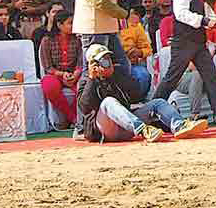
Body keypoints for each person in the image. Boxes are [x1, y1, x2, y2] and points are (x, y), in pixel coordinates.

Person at [76, 44, 208, 143]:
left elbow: (136, 94)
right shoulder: (86, 81)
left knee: (158, 102)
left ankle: (179, 125)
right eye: (103, 60)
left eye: (108, 59)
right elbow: (85, 107)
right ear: (93, 63)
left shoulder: (117, 74)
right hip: (105, 129)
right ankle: (144, 130)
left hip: (127, 126)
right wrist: (92, 80)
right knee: (108, 102)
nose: (107, 63)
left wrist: (116, 76)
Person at [39, 11, 83, 129]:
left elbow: (80, 62)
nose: (73, 26)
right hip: (55, 74)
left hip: (75, 74)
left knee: (86, 86)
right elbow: (47, 67)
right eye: (70, 23)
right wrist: (62, 74)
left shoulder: (78, 39)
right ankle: (72, 118)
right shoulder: (47, 40)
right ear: (59, 25)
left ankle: (73, 119)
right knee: (49, 86)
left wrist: (75, 74)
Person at [119, 5, 154, 99]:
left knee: (143, 75)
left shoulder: (135, 26)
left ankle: (138, 101)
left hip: (132, 65)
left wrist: (139, 52)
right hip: (111, 66)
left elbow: (148, 49)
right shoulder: (104, 25)